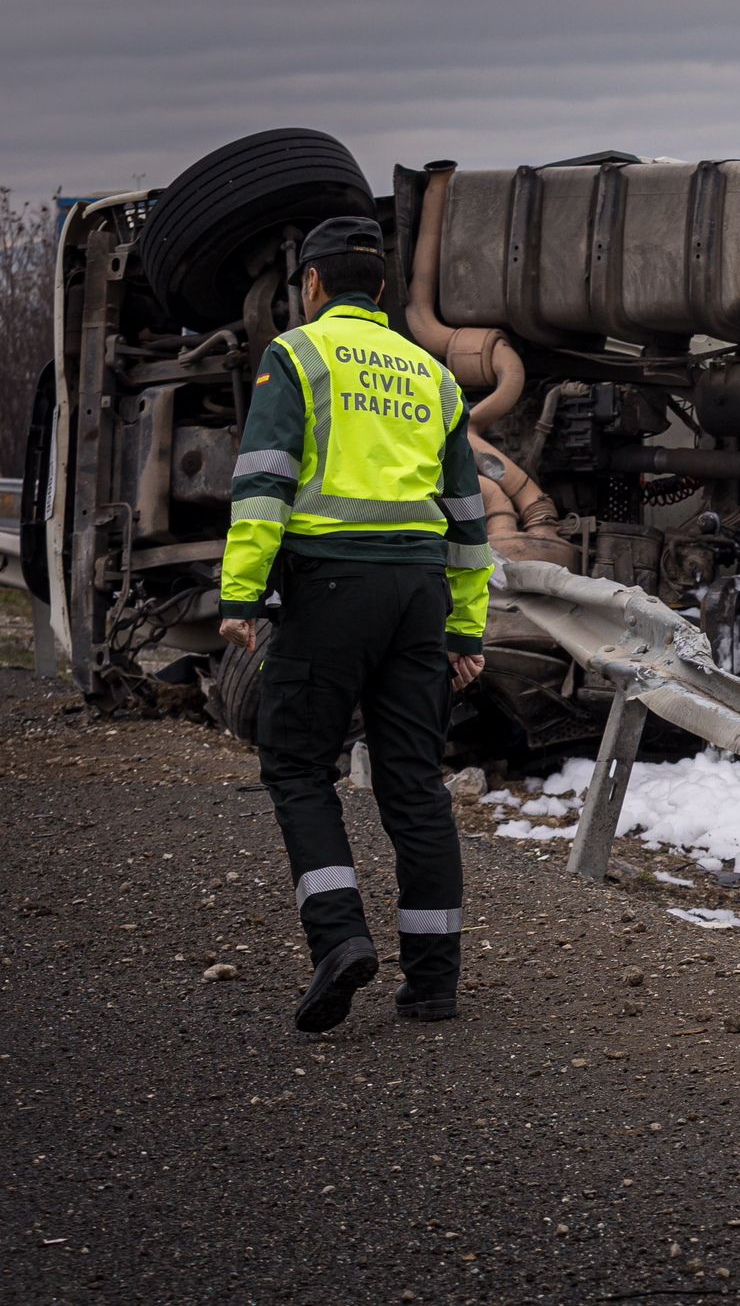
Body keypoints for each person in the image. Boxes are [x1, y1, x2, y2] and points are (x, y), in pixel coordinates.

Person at [217, 216, 492, 1033]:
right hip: (417, 593)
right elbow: (469, 520)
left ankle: (340, 940)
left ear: (309, 286)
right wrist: (466, 631)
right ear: (379, 291)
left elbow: (263, 483)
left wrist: (240, 597)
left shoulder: (295, 355)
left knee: (299, 767)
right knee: (413, 783)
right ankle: (433, 983)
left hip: (329, 588)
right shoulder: (432, 373)